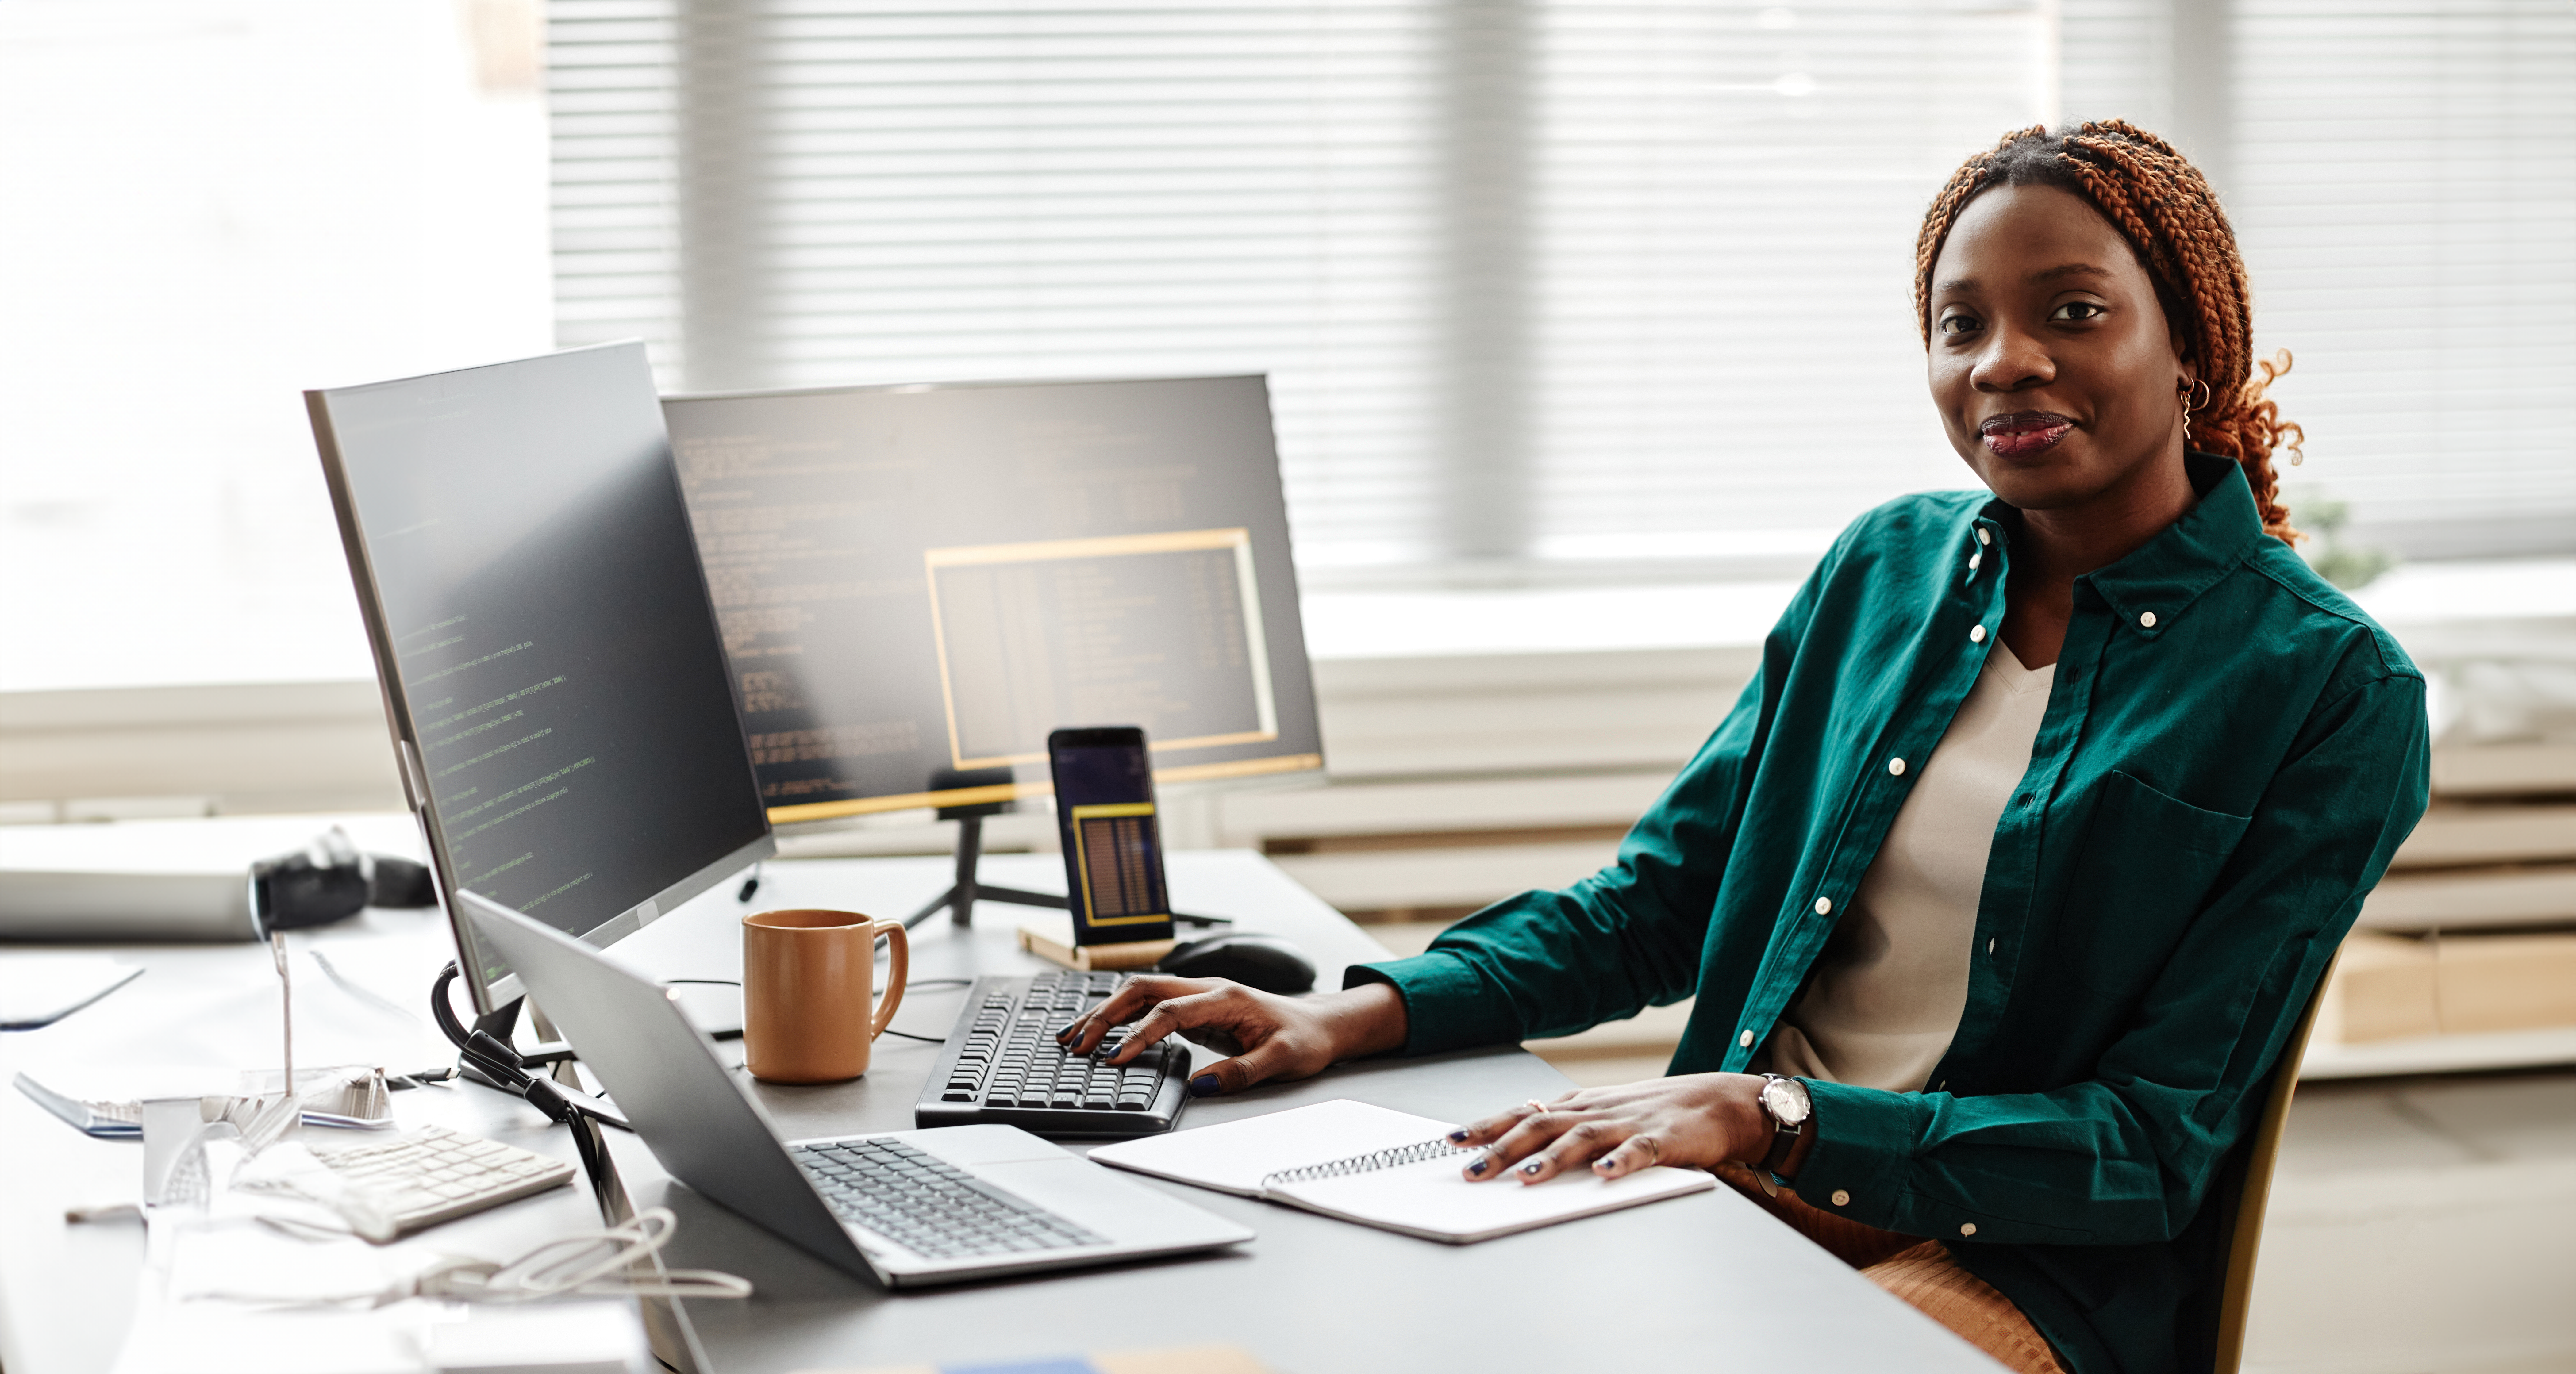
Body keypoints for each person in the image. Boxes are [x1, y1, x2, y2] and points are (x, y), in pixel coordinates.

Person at [1058, 121, 2429, 1374]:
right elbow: (1658, 902)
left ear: (2190, 340)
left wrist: (1772, 1117)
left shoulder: (2324, 688)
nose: (1999, 360)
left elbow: (2145, 1147)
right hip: (1738, 1174)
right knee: (1293, 1307)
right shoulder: (1884, 569)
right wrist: (1341, 1015)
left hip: (2019, 1261)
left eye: (2070, 312)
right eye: (1958, 326)